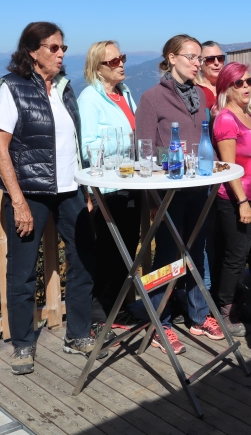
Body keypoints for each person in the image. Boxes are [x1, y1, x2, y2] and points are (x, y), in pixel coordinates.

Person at [0, 21, 101, 375]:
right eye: (53, 48)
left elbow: (75, 144)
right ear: (32, 52)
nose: (61, 53)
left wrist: (85, 189)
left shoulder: (66, 88)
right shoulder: (12, 87)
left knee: (84, 257)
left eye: (63, 47)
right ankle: (23, 344)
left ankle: (78, 333)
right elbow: (0, 147)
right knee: (23, 271)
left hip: (71, 189)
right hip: (31, 193)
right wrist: (18, 201)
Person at [135, 34, 222, 355]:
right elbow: (141, 148)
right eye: (192, 57)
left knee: (197, 249)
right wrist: (169, 160)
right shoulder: (152, 98)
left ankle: (198, 315)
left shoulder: (200, 95)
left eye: (200, 57)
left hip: (199, 187)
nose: (198, 62)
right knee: (168, 253)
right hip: (168, 190)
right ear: (171, 58)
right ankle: (161, 321)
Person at [77, 40, 141, 334]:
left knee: (128, 247)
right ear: (98, 68)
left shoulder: (126, 95)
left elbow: (139, 133)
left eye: (122, 58)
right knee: (108, 250)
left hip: (132, 183)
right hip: (107, 188)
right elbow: (89, 145)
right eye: (113, 61)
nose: (121, 64)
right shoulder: (89, 99)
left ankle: (117, 308)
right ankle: (99, 314)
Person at [211, 63, 251, 337]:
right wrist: (242, 201)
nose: (246, 86)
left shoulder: (246, 115)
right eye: (238, 83)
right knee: (234, 256)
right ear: (226, 87)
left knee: (242, 255)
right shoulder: (226, 119)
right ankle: (225, 309)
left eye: (248, 81)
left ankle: (236, 302)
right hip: (234, 199)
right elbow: (227, 166)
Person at [195, 40, 225, 108]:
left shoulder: (231, 87)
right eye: (210, 59)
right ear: (199, 64)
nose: (216, 63)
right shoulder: (194, 91)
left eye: (220, 58)